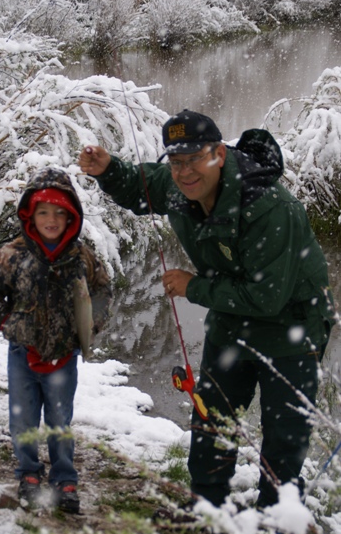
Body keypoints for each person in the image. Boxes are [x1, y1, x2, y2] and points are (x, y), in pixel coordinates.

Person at [78, 110, 334, 510]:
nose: (184, 172)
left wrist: (193, 286)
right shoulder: (181, 185)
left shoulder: (269, 208)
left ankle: (275, 519)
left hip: (293, 327)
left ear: (218, 153)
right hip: (232, 322)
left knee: (285, 433)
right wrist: (108, 169)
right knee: (212, 417)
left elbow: (266, 298)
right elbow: (140, 187)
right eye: (176, 162)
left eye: (194, 158)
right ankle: (206, 507)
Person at [0, 167, 112, 513]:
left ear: (71, 217)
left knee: (60, 421)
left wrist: (90, 326)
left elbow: (103, 290)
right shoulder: (13, 254)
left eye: (59, 213)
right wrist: (7, 323)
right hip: (23, 353)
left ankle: (65, 479)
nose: (51, 219)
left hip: (63, 356)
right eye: (43, 212)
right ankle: (29, 473)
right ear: (30, 215)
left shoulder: (82, 258)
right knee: (22, 419)